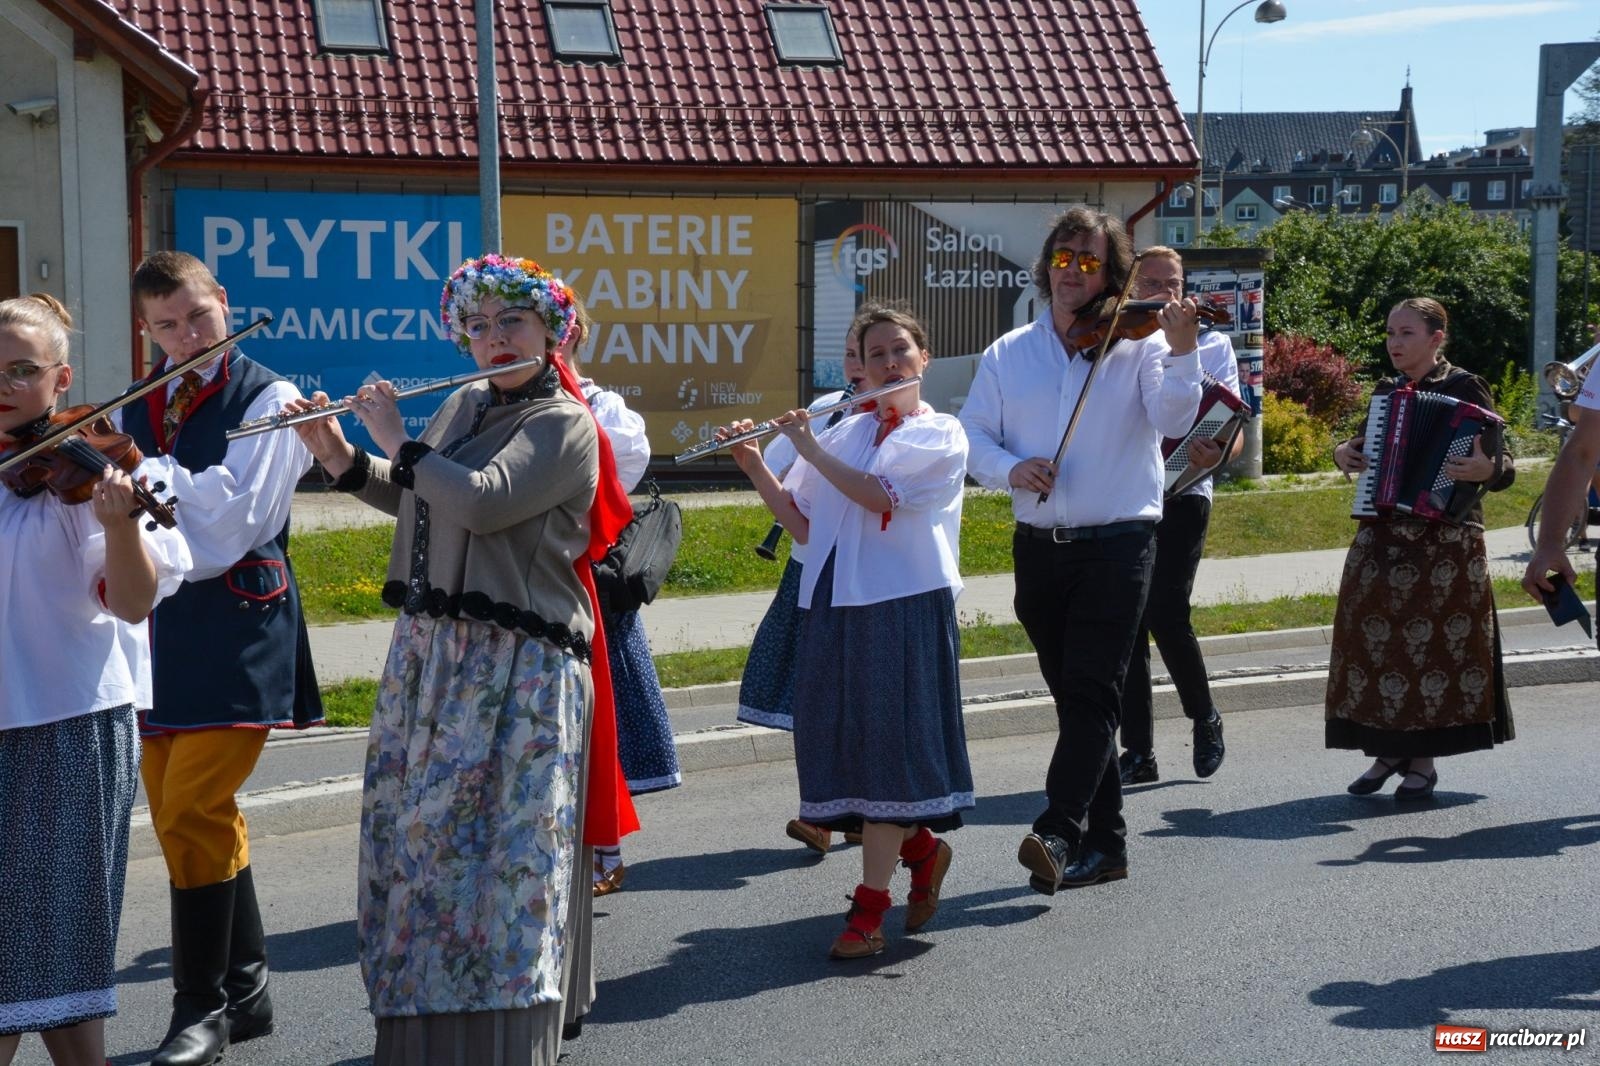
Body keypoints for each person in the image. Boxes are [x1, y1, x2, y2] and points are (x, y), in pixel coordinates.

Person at [285, 254, 633, 1065]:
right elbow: (423, 496)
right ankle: (423, 1032)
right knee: (421, 852)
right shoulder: (468, 402)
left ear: (554, 332)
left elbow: (480, 500)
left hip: (520, 667)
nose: (491, 339)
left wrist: (398, 439)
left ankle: (507, 1040)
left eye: (510, 322)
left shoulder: (566, 423)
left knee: (505, 863)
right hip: (436, 657)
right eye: (476, 327)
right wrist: (342, 457)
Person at [959, 206, 1202, 896]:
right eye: (1063, 259)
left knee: (1095, 692)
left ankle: (1060, 827)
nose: (1072, 273)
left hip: (1118, 546)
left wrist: (1182, 350)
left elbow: (1176, 420)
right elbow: (972, 433)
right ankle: (1110, 846)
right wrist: (1009, 468)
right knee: (1077, 703)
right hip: (1038, 549)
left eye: (1088, 262)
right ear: (1046, 266)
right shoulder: (1010, 353)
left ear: (1113, 273)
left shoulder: (1145, 346)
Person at [121, 251, 324, 1066]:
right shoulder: (137, 402)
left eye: (198, 317)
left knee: (188, 810)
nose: (185, 335)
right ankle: (246, 988)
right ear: (146, 328)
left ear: (224, 303)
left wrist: (140, 479)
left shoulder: (269, 396)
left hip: (239, 621)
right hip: (155, 633)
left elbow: (232, 521)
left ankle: (199, 1008)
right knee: (182, 812)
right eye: (166, 326)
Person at [723, 306, 972, 958]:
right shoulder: (844, 432)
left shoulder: (939, 433)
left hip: (903, 605)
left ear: (924, 359)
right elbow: (804, 526)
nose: (890, 364)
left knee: (887, 756)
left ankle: (867, 913)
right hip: (835, 601)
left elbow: (880, 497)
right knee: (848, 749)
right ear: (858, 365)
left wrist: (807, 444)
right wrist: (755, 465)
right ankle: (920, 851)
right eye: (877, 353)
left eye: (901, 351)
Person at [0, 295, 191, 1066]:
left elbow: (136, 601)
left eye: (21, 370)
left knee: (50, 950)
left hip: (63, 729)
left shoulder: (91, 478)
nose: (5, 385)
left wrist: (119, 526)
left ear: (61, 378)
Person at [1331, 298, 1515, 799]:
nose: (1394, 342)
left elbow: (1501, 461)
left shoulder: (1465, 387)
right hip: (1383, 535)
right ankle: (1389, 750)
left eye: (1407, 333)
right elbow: (1364, 444)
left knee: (1430, 651)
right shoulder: (1387, 391)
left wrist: (1489, 469)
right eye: (1390, 332)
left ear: (1437, 339)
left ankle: (1423, 763)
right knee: (1375, 645)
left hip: (1444, 541)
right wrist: (1341, 451)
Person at [736, 313, 868, 856]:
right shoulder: (826, 407)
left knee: (855, 699)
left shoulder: (903, 424)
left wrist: (819, 446)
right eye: (855, 355)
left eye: (877, 354)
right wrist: (770, 444)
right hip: (809, 565)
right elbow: (782, 473)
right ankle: (823, 811)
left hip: (864, 577)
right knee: (810, 697)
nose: (861, 367)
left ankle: (855, 812)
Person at [565, 293, 680, 897]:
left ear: (572, 334)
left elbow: (608, 485)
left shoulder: (605, 409)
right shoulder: (488, 402)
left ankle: (601, 849)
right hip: (514, 580)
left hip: (584, 583)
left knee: (596, 719)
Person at [1117, 246, 1241, 785]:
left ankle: (1204, 717)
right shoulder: (1121, 343)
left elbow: (1233, 436)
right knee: (1126, 623)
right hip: (1128, 493)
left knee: (1166, 610)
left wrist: (1217, 452)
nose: (1166, 293)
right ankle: (1138, 751)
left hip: (1186, 490)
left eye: (1174, 283)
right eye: (1153, 282)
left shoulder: (1213, 344)